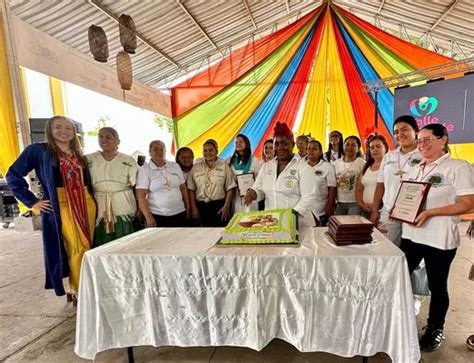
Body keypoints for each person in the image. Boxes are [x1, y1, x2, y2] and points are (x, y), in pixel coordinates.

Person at [400, 124, 474, 352]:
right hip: (411, 234)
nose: (422, 144)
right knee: (399, 276)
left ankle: (435, 329)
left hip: (439, 239)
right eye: (420, 140)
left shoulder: (458, 167)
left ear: (444, 140)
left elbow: (468, 203)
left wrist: (431, 212)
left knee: (437, 285)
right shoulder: (416, 167)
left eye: (428, 139)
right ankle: (396, 319)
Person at [6, 116, 96, 303]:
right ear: (49, 129)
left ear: (74, 132)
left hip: (86, 201)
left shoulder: (78, 154)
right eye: (58, 127)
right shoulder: (39, 151)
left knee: (86, 245)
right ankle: (80, 289)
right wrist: (31, 202)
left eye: (68, 128)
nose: (63, 131)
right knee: (79, 245)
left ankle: (77, 284)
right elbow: (13, 174)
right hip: (61, 203)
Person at [244, 122, 317, 227]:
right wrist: (252, 193)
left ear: (292, 145)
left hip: (298, 224)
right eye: (276, 144)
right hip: (271, 224)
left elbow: (308, 198)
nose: (280, 147)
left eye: (284, 143)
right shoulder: (266, 167)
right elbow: (258, 189)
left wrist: (289, 217)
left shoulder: (304, 168)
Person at [370, 115, 423, 245]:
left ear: (416, 131)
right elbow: (380, 185)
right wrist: (375, 211)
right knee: (386, 249)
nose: (400, 134)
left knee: (412, 253)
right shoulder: (389, 156)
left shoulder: (424, 154)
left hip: (414, 212)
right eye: (396, 132)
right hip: (389, 212)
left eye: (404, 129)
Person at [86, 127, 139, 246]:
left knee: (126, 241)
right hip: (98, 205)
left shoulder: (128, 160)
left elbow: (137, 186)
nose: (104, 139)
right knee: (102, 242)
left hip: (123, 203)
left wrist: (140, 208)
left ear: (117, 141)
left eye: (108, 137)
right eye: (101, 137)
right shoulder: (88, 159)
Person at [135, 140, 189, 227]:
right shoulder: (145, 170)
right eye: (156, 149)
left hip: (179, 212)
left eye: (162, 149)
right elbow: (141, 195)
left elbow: (183, 188)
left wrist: (188, 208)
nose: (160, 152)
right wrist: (148, 217)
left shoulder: (175, 166)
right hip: (158, 215)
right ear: (150, 152)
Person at [187, 140, 236, 227]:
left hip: (219, 206)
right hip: (201, 207)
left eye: (210, 150)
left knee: (220, 233)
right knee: (203, 235)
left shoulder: (224, 167)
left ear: (216, 151)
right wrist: (193, 208)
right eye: (205, 150)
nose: (208, 153)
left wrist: (226, 206)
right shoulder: (195, 168)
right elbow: (191, 189)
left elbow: (230, 188)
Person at [355, 135, 388, 219]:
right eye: (372, 147)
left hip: (382, 211)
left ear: (385, 147)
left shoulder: (389, 166)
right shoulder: (367, 166)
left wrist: (376, 208)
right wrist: (362, 205)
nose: (375, 150)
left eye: (378, 146)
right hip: (365, 210)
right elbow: (359, 188)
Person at [227, 134, 262, 213]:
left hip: (250, 195)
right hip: (236, 195)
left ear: (247, 144)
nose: (238, 144)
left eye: (241, 142)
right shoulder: (230, 161)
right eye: (236, 142)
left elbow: (260, 179)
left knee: (250, 218)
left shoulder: (255, 161)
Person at [307, 140, 336, 226]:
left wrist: (329, 207)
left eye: (314, 148)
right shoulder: (302, 166)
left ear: (320, 152)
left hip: (321, 210)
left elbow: (332, 188)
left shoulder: (327, 167)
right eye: (309, 148)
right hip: (305, 210)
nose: (311, 151)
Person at [334, 136, 366, 215]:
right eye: (347, 144)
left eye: (353, 145)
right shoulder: (336, 163)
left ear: (358, 148)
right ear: (343, 146)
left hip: (355, 202)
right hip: (339, 202)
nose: (349, 147)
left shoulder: (362, 163)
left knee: (352, 225)